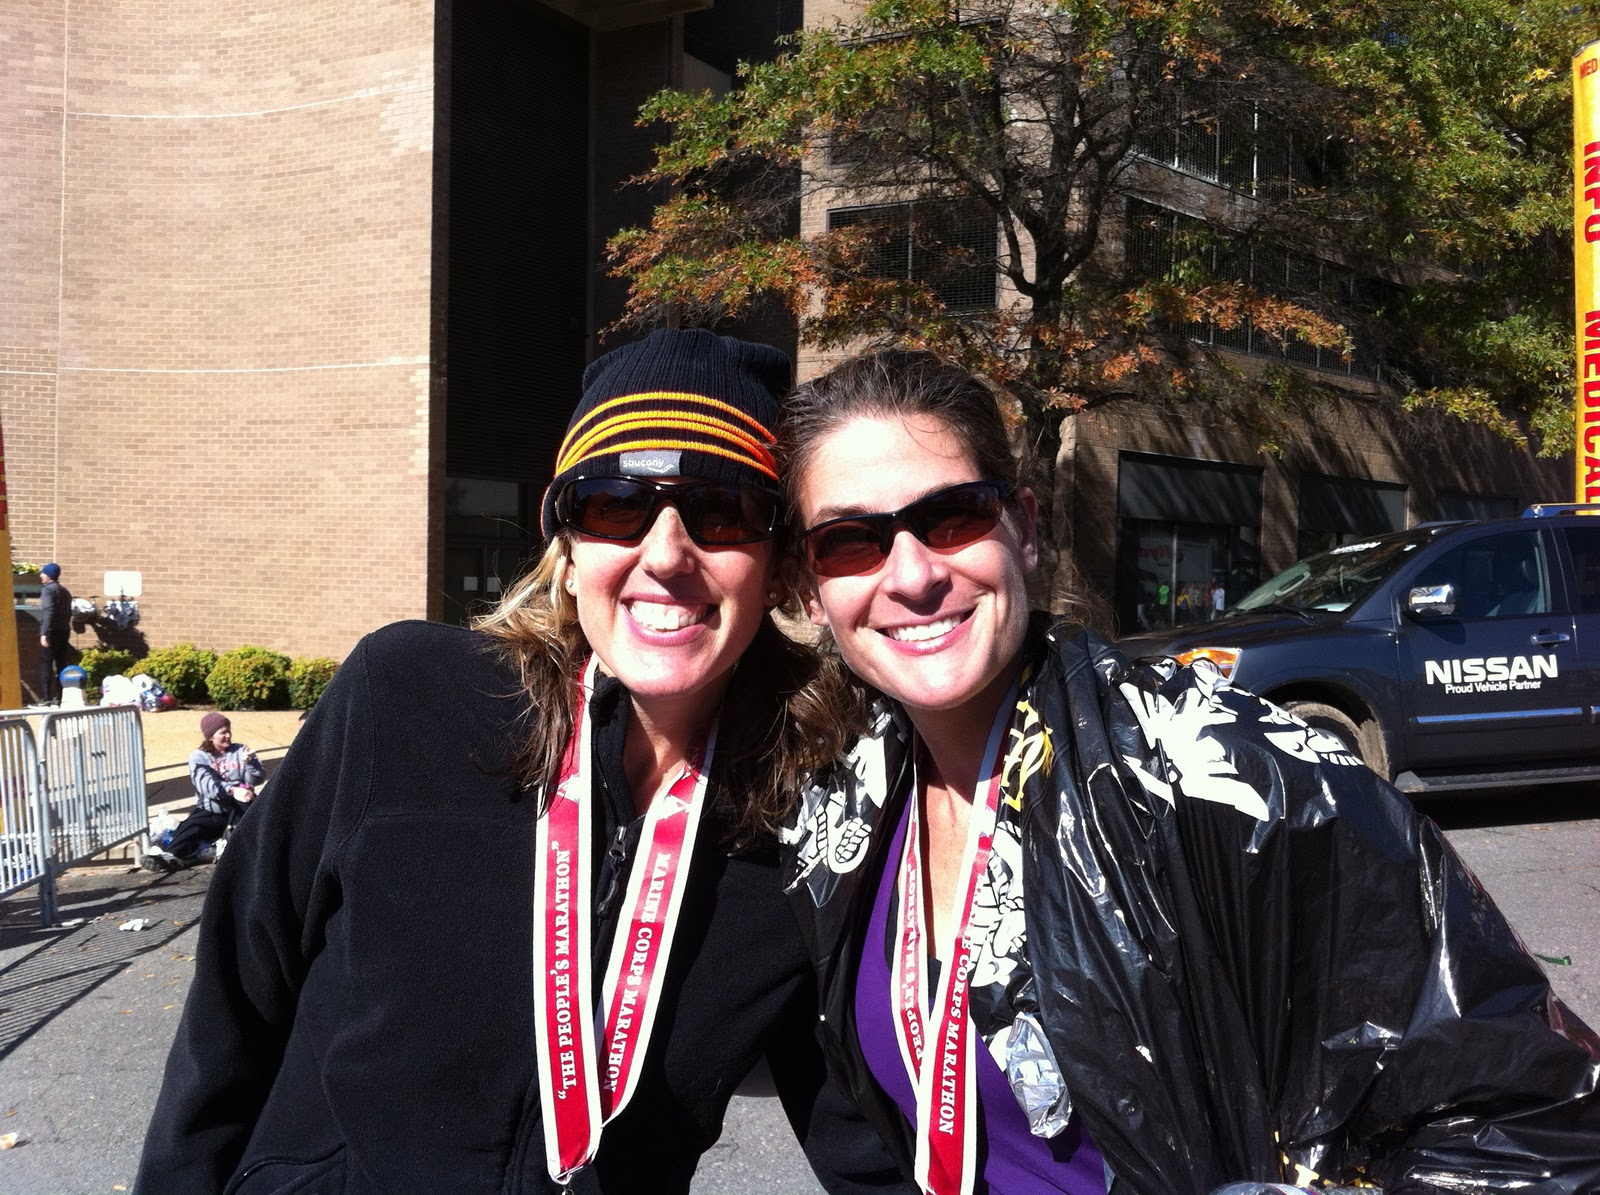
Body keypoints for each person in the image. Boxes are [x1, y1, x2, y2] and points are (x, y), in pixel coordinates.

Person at [777, 349, 1600, 1195]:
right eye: (849, 541)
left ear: (1023, 528)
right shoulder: (838, 805)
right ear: (809, 589)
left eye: (953, 516)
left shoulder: (1224, 774)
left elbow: (1533, 1122)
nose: (913, 574)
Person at [135, 329, 903, 1194]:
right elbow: (234, 1001)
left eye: (722, 510)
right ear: (567, 554)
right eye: (614, 505)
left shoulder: (810, 811)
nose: (664, 554)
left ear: (775, 564)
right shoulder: (405, 698)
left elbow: (860, 1126)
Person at [140, 712, 264, 873]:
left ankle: (248, 856)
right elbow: (206, 785)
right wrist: (232, 790)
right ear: (210, 736)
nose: (228, 736)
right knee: (191, 827)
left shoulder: (240, 750)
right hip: (213, 809)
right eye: (223, 732)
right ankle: (170, 856)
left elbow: (257, 779)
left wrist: (250, 763)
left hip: (240, 806)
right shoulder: (199, 757)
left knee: (249, 824)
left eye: (229, 731)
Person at [36, 561, 72, 705]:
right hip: (64, 631)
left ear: (50, 575)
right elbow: (68, 612)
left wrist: (44, 633)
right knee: (61, 664)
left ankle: (45, 698)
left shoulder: (48, 590)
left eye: (43, 573)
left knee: (46, 663)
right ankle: (60, 697)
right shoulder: (65, 591)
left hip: (52, 632)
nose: (41, 575)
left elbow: (48, 611)